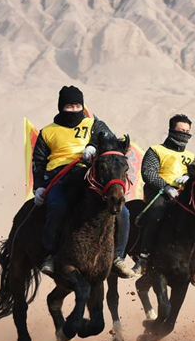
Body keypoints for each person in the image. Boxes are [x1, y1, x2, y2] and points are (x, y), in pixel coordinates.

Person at [32, 86, 134, 278]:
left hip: (89, 175)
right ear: (61, 108)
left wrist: (92, 146)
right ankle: (51, 255)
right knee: (58, 205)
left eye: (78, 105)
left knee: (124, 212)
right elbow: (38, 161)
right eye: (70, 106)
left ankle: (117, 258)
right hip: (58, 177)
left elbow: (110, 140)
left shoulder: (94, 123)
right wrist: (39, 187)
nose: (75, 109)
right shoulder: (47, 132)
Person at [136, 114, 195, 288]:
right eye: (181, 130)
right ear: (171, 130)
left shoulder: (191, 156)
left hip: (182, 197)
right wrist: (166, 187)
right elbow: (148, 173)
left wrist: (189, 175)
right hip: (159, 193)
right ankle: (143, 258)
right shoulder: (156, 150)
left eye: (188, 131)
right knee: (158, 213)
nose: (185, 134)